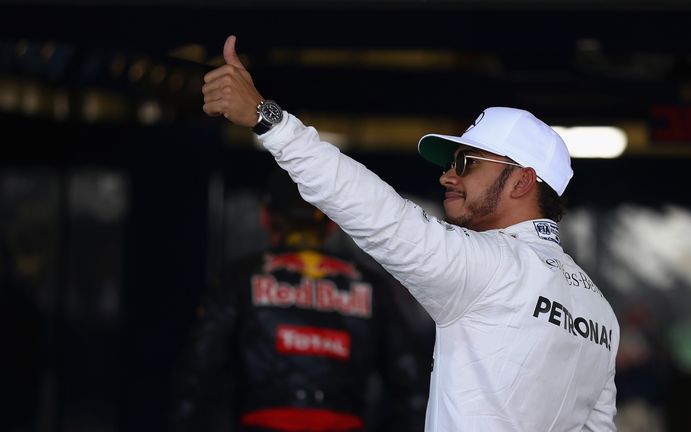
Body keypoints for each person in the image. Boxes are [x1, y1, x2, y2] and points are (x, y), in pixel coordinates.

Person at [201, 35, 620, 431]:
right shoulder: (601, 314)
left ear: (522, 182)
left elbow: (378, 214)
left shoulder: (493, 267)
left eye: (467, 162)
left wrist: (268, 120)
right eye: (448, 163)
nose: (447, 177)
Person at [170, 168, 426, 432]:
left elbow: (197, 373)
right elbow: (412, 391)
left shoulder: (238, 279)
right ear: (331, 223)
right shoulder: (372, 286)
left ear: (265, 217)